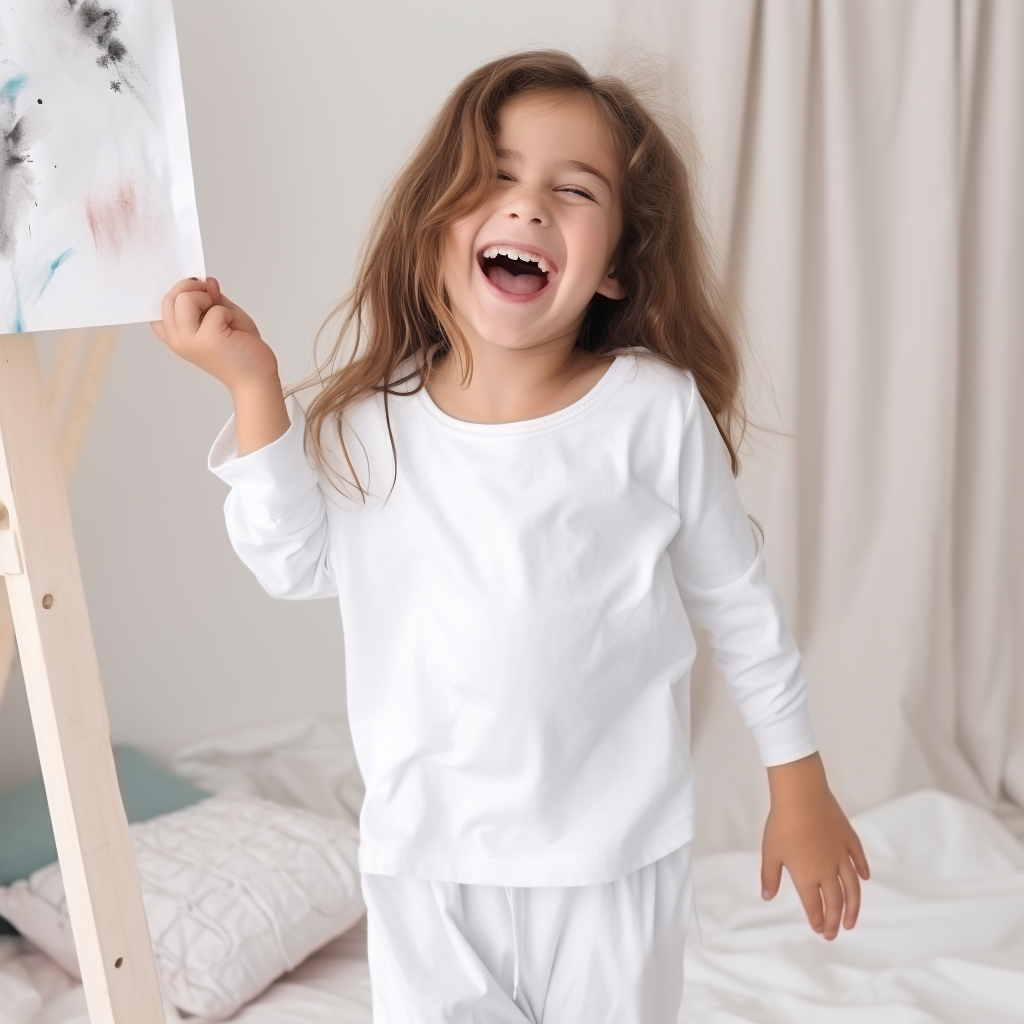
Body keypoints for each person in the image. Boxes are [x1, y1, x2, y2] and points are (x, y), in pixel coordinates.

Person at [152, 50, 869, 1024]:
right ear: (437, 223)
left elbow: (737, 605)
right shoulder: (373, 420)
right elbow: (296, 562)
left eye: (572, 191)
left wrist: (799, 782)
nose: (528, 207)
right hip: (424, 864)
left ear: (615, 263)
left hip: (611, 866)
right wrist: (251, 391)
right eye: (495, 176)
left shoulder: (650, 415)